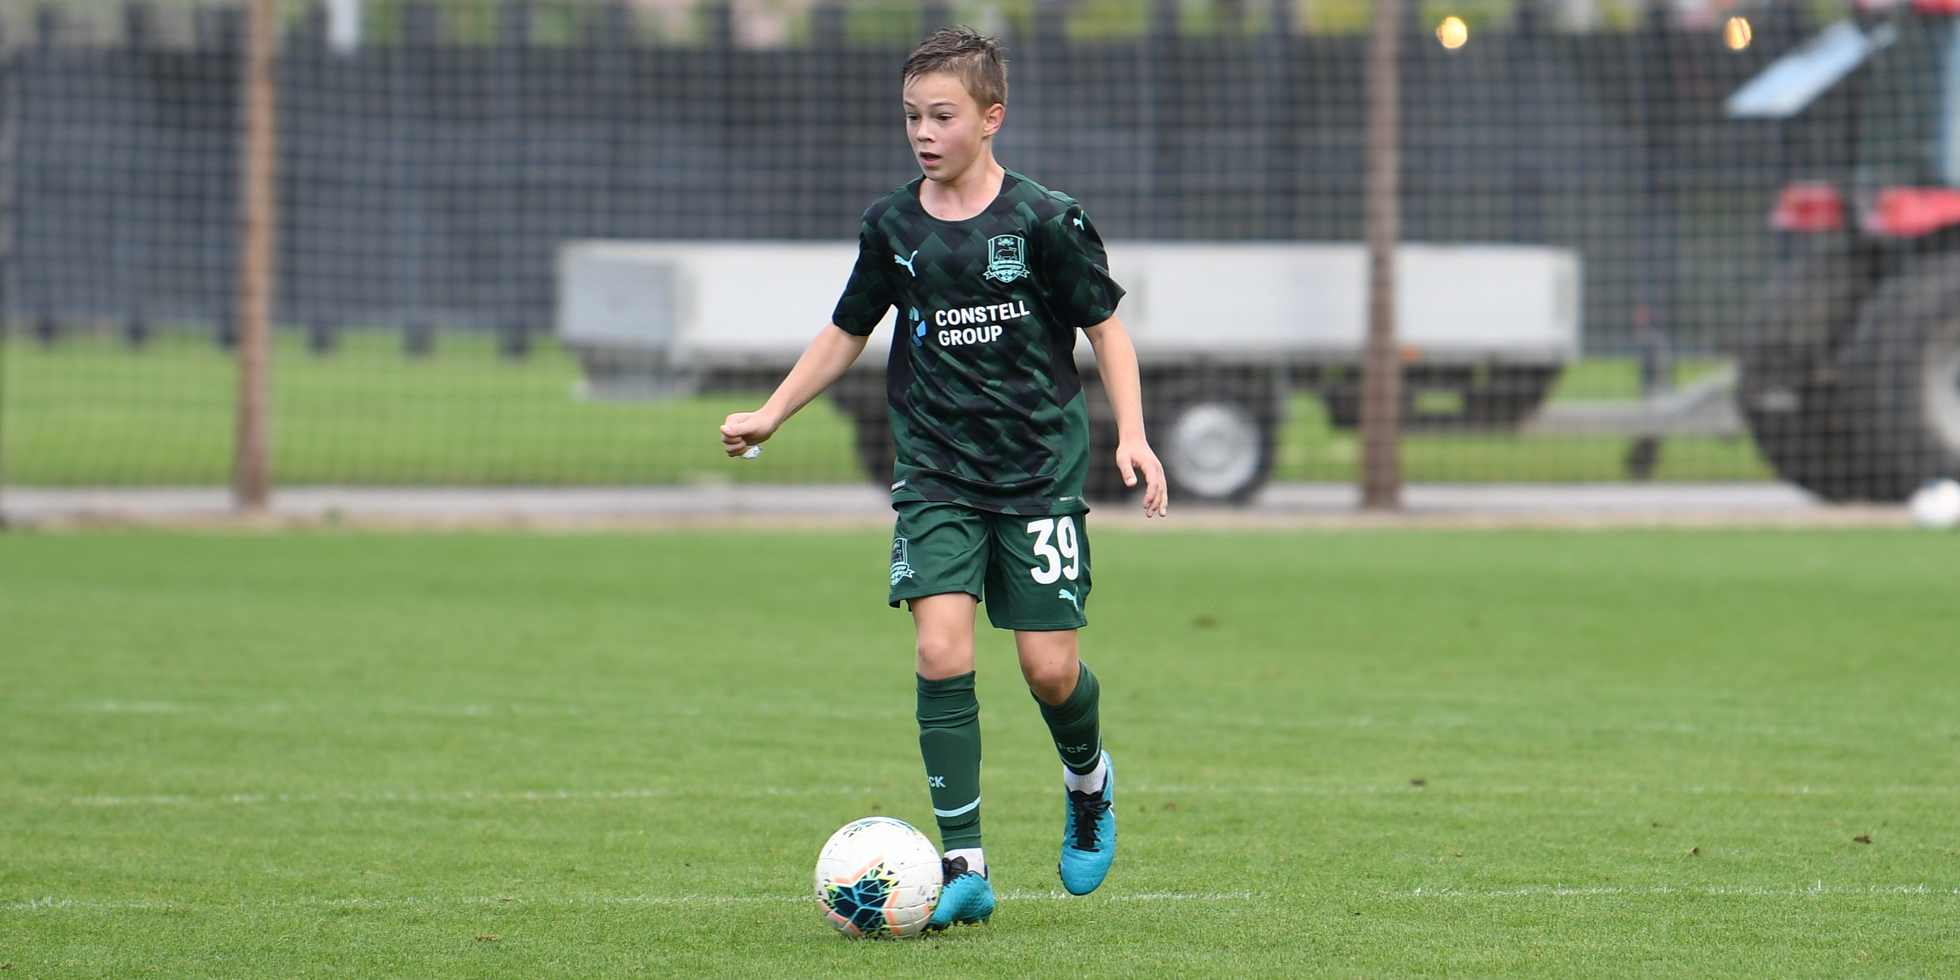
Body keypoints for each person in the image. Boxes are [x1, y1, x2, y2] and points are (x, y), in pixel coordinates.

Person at [719, 26, 1167, 929]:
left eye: (942, 116)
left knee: (1049, 670)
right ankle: (965, 864)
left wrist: (1134, 435)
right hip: (935, 471)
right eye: (911, 117)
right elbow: (847, 329)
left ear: (991, 117)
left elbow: (1105, 328)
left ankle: (1089, 783)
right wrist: (774, 411)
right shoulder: (893, 225)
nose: (923, 133)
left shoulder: (1044, 220)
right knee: (939, 651)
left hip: (1038, 470)